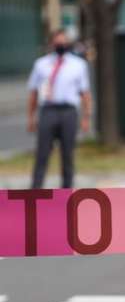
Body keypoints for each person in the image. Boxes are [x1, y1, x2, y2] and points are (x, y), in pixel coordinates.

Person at [26, 29, 92, 189]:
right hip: (48, 111)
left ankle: (66, 192)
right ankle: (34, 193)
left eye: (64, 42)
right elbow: (33, 93)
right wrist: (31, 117)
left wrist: (86, 117)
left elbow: (85, 93)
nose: (61, 45)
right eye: (57, 42)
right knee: (42, 153)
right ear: (51, 43)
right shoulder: (41, 64)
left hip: (68, 112)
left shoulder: (78, 65)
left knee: (68, 154)